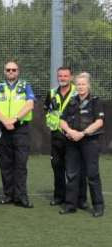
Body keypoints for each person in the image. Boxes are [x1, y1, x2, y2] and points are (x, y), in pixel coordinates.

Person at [0, 60, 35, 208]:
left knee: (21, 164)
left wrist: (14, 120)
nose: (11, 72)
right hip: (3, 129)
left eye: (14, 70)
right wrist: (5, 121)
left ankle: (21, 197)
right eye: (8, 70)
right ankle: (8, 195)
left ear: (18, 71)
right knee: (6, 164)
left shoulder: (25, 86)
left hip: (20, 129)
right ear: (4, 71)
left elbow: (30, 104)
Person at [59, 72, 105, 217]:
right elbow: (61, 120)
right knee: (72, 174)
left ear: (88, 85)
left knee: (92, 174)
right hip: (72, 142)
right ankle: (70, 205)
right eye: (78, 84)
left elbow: (99, 122)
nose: (81, 87)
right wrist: (69, 131)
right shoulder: (72, 101)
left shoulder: (95, 101)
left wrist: (83, 133)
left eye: (83, 84)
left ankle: (98, 206)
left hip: (89, 142)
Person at [44, 66, 80, 206]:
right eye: (60, 76)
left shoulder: (77, 93)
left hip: (72, 136)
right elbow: (47, 109)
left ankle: (75, 198)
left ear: (71, 77)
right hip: (57, 136)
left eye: (65, 76)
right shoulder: (52, 93)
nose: (62, 78)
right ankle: (59, 196)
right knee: (57, 167)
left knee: (73, 170)